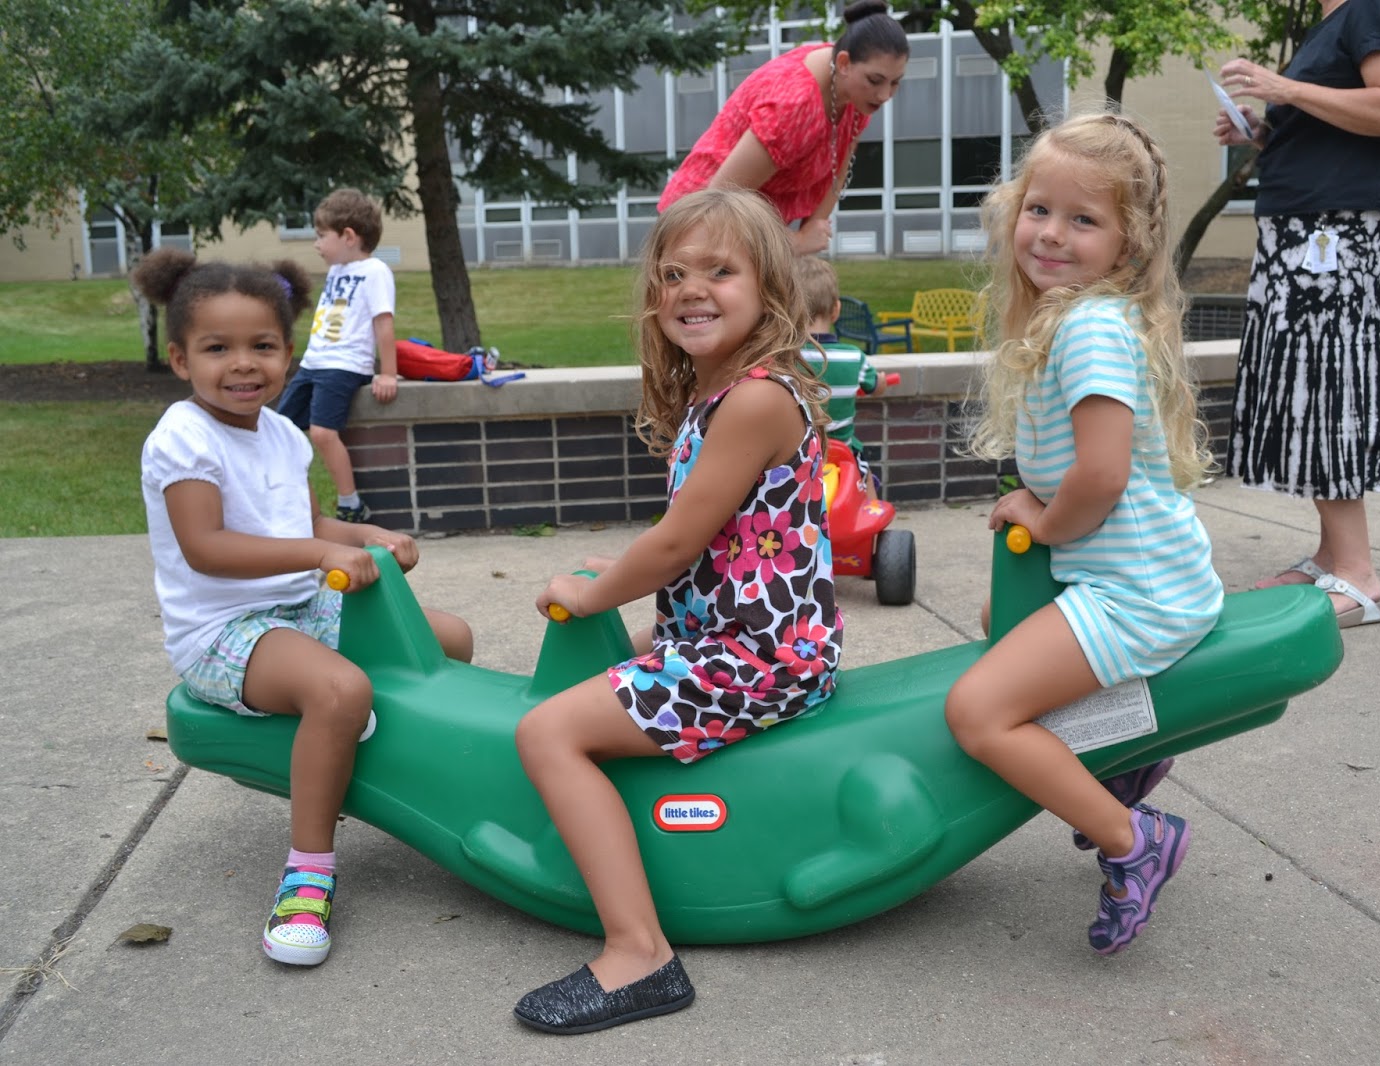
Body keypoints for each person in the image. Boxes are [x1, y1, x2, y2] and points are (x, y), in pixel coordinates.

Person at [510, 188, 841, 1034]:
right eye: (673, 273)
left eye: (719, 271)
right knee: (596, 670)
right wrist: (622, 586)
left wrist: (595, 590)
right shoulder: (717, 392)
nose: (692, 289)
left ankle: (639, 955)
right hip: (735, 637)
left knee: (546, 732)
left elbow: (676, 542)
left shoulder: (757, 398)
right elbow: (712, 545)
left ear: (769, 287)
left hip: (760, 659)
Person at [134, 247, 474, 968]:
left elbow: (305, 527)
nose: (243, 364)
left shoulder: (284, 435)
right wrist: (321, 559)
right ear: (179, 359)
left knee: (445, 638)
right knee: (341, 688)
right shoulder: (183, 437)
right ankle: (308, 874)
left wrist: (368, 536)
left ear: (289, 353)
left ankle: (401, 776)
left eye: (261, 346)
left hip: (297, 609)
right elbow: (209, 547)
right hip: (224, 630)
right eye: (217, 348)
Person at [949, 113, 1224, 956]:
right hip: (1121, 574)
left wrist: (1040, 515)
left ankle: (1135, 841)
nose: (1052, 235)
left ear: (1129, 245)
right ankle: (1123, 759)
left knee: (979, 713)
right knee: (1004, 636)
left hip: (1139, 588)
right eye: (1040, 209)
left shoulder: (1091, 328)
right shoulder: (1062, 322)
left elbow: (1099, 477)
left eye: (1084, 220)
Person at [1215, 0, 1380, 628]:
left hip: (1340, 232)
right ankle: (1333, 554)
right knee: (1304, 390)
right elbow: (1334, 124)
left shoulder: (1378, 5)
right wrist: (1261, 129)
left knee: (1329, 387)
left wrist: (1284, 86)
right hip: (1306, 230)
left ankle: (1359, 574)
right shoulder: (1334, 19)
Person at [657, 0, 909, 254]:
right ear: (844, 63)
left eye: (895, 82)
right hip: (696, 231)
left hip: (749, 233)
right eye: (876, 81)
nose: (885, 94)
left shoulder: (855, 92)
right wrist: (797, 243)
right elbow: (718, 202)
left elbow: (839, 170)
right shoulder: (793, 106)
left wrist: (812, 231)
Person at [276, 187, 399, 523]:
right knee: (279, 429)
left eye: (321, 236)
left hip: (343, 366)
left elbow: (383, 323)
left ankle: (350, 503)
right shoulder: (337, 271)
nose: (316, 244)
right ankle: (291, 501)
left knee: (322, 432)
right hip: (314, 363)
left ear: (347, 236)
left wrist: (388, 372)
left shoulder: (375, 272)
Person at [794, 254, 889, 498]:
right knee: (864, 478)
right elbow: (874, 386)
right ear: (836, 310)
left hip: (799, 453)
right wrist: (881, 382)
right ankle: (873, 522)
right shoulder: (854, 357)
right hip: (842, 452)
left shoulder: (786, 358)